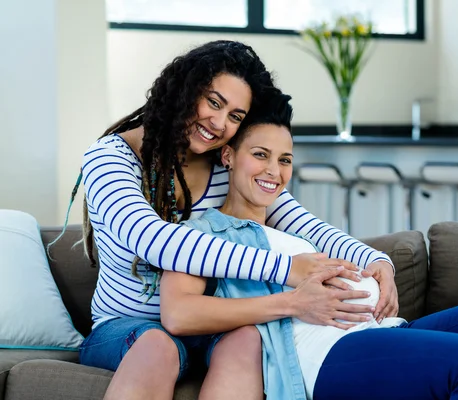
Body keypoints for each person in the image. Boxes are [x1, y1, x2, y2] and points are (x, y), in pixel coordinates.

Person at [164, 92, 458, 400]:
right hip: (324, 357)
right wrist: (293, 303)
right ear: (227, 157)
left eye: (285, 159)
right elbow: (181, 313)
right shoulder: (202, 235)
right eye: (259, 155)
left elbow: (352, 250)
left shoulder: (291, 226)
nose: (274, 171)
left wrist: (381, 264)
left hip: (385, 333)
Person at [54, 40, 397, 400]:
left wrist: (375, 261)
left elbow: (305, 224)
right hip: (127, 329)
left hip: (212, 323)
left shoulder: (226, 164)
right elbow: (153, 240)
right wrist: (286, 269)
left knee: (249, 338)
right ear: (184, 89)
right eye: (214, 102)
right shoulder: (110, 158)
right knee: (157, 345)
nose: (218, 123)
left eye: (235, 116)